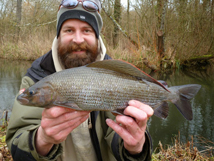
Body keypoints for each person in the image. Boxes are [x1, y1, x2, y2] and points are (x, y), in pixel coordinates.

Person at [6, 0, 154, 160]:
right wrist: (42, 140)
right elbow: (18, 148)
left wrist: (135, 148)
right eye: (69, 30)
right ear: (58, 35)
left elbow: (119, 136)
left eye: (86, 30)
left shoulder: (115, 75)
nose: (78, 39)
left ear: (97, 36)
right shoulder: (36, 78)